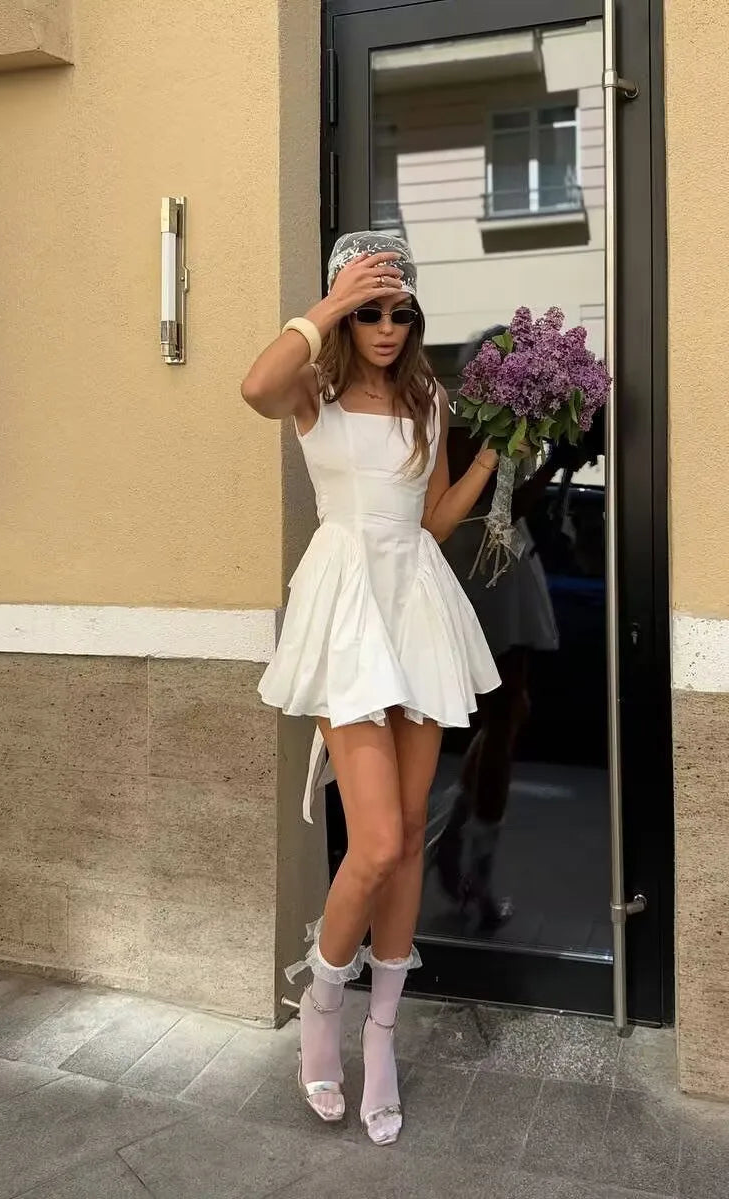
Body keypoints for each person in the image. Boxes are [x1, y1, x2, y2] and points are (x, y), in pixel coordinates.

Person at [240, 231, 501, 1146]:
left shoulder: (428, 397)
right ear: (347, 313)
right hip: (346, 607)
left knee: (411, 829)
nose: (386, 327)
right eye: (369, 311)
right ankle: (322, 1001)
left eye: (399, 311)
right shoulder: (311, 389)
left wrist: (491, 458)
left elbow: (432, 519)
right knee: (378, 839)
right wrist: (329, 303)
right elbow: (255, 387)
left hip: (415, 600)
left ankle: (381, 1034)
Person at [435, 327, 588, 928]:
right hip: (480, 569)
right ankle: (468, 859)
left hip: (504, 568)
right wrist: (553, 465)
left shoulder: (501, 421)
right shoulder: (463, 426)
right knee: (500, 712)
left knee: (508, 710)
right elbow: (494, 507)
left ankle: (463, 839)